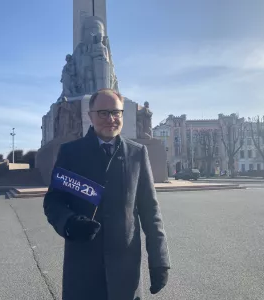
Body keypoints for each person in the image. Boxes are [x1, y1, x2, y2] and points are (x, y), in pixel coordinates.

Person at [43, 88, 171, 300]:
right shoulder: (70, 153)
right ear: (90, 115)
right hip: (83, 267)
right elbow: (53, 202)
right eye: (103, 113)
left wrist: (159, 260)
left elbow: (150, 211)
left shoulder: (137, 153)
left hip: (125, 270)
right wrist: (69, 223)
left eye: (116, 112)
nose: (110, 119)